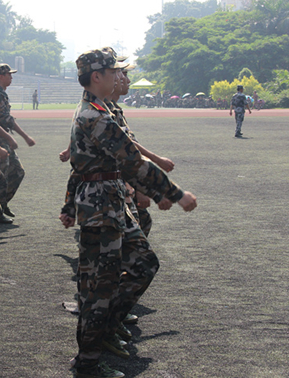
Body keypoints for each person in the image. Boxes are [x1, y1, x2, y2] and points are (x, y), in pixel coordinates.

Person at [60, 48, 197, 378]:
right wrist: (176, 194)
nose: (118, 76)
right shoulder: (94, 116)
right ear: (97, 77)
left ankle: (105, 331)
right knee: (99, 289)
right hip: (100, 210)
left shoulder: (99, 110)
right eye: (112, 72)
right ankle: (88, 362)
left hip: (111, 205)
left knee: (143, 264)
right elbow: (133, 163)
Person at [0, 63, 36, 218]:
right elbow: (6, 120)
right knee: (2, 175)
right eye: (9, 74)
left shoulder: (1, 94)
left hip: (3, 139)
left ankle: (1, 205)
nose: (11, 77)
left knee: (17, 172)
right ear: (1, 76)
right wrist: (25, 136)